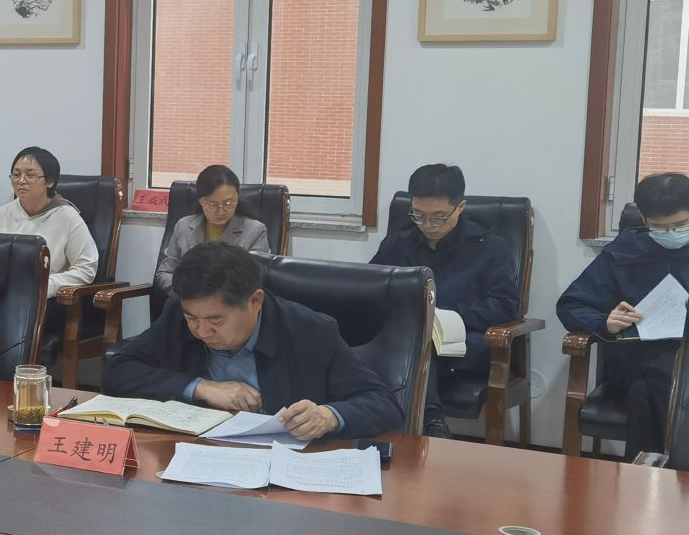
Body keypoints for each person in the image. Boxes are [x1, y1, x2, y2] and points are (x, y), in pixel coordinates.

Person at [102, 241, 398, 442]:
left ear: (255, 302)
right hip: (198, 456)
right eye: (192, 317)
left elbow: (383, 404)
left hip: (283, 472)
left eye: (216, 320)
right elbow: (117, 368)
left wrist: (327, 416)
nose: (201, 331)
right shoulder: (178, 318)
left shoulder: (310, 332)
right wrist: (200, 387)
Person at [557, 171, 689, 457]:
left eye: (679, 225)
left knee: (644, 394)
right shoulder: (624, 252)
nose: (670, 233)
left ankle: (646, 475)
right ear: (644, 219)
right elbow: (572, 304)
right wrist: (605, 322)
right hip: (636, 358)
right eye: (659, 227)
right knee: (661, 372)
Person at [370, 163, 521, 436]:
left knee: (418, 345)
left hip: (463, 343)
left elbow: (505, 306)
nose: (428, 225)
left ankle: (431, 423)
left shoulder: (490, 247)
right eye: (418, 215)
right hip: (402, 336)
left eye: (438, 217)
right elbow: (370, 288)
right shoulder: (398, 242)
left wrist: (446, 315)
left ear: (460, 207)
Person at [0, 146, 97, 297]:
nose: (21, 181)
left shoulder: (67, 216)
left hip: (45, 300)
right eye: (16, 175)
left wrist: (47, 285)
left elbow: (86, 268)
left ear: (50, 181)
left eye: (30, 175)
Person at [156, 164, 270, 293]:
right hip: (186, 300)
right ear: (200, 201)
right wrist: (187, 295)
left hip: (231, 302)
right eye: (212, 204)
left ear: (238, 198)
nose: (221, 211)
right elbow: (165, 272)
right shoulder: (183, 226)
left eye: (228, 203)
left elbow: (256, 279)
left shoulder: (255, 231)